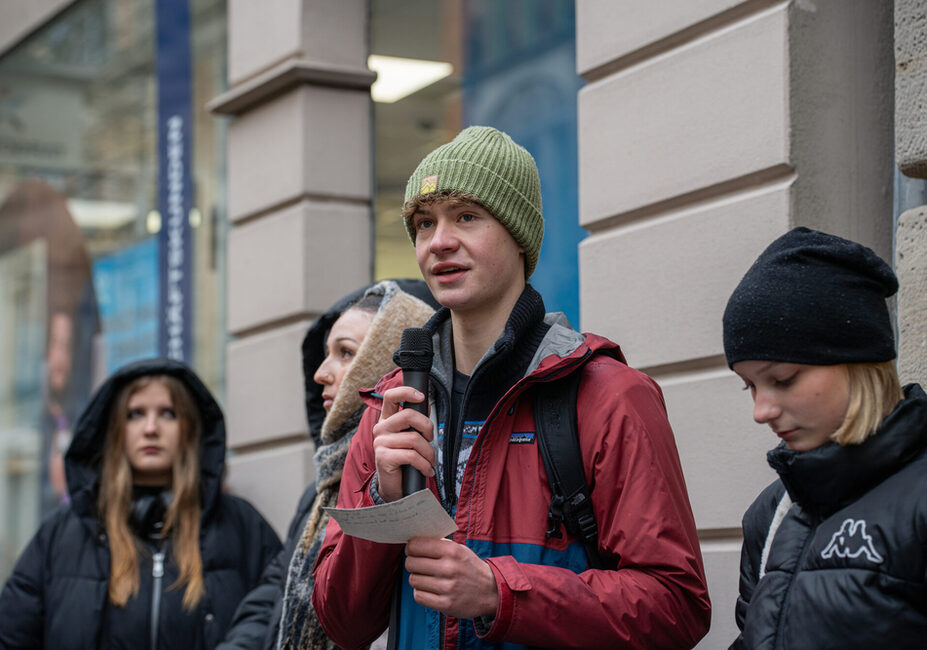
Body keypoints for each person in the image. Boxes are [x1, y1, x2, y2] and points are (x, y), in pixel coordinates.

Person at [312, 126, 711, 649]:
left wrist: (501, 594)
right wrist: (383, 501)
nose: (440, 241)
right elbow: (344, 625)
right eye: (425, 224)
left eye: (467, 217)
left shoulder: (608, 394)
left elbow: (676, 606)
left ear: (520, 236)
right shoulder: (392, 407)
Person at [722, 227, 927, 649]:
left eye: (782, 378)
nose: (761, 411)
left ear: (857, 360)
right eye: (750, 386)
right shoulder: (771, 514)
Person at [0, 357, 281, 649]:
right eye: (135, 414)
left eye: (168, 413)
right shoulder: (62, 534)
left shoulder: (242, 526)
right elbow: (7, 639)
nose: (151, 428)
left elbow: (283, 622)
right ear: (115, 431)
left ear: (190, 429)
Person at [218, 280, 436, 649]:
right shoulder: (320, 492)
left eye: (346, 353)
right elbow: (273, 597)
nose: (321, 372)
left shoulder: (422, 469)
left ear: (387, 361)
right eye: (326, 353)